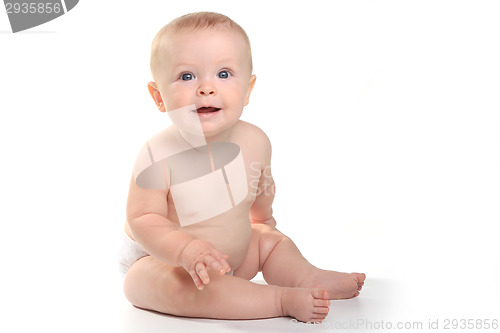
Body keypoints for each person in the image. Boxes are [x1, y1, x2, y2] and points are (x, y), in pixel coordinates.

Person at [120, 11, 365, 323]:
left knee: (270, 241)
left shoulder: (256, 140)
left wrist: (264, 221)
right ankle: (278, 300)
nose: (206, 88)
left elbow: (261, 189)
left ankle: (308, 277)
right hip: (165, 262)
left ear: (248, 89)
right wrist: (185, 251)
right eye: (187, 76)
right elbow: (144, 218)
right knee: (177, 286)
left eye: (223, 74)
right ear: (158, 97)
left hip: (233, 255)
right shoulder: (157, 153)